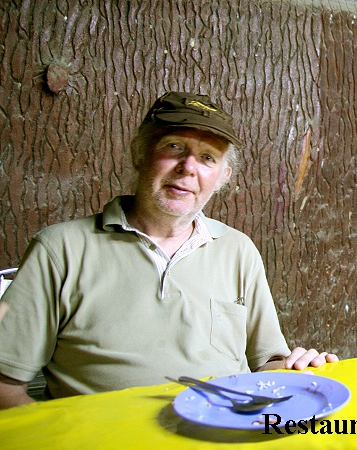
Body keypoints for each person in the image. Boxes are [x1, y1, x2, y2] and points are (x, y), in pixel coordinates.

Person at [0, 91, 337, 409]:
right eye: (174, 147)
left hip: (227, 432)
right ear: (139, 154)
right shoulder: (60, 248)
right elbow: (5, 385)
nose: (188, 167)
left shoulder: (237, 249)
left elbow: (267, 364)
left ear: (223, 176)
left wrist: (296, 369)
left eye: (207, 157)